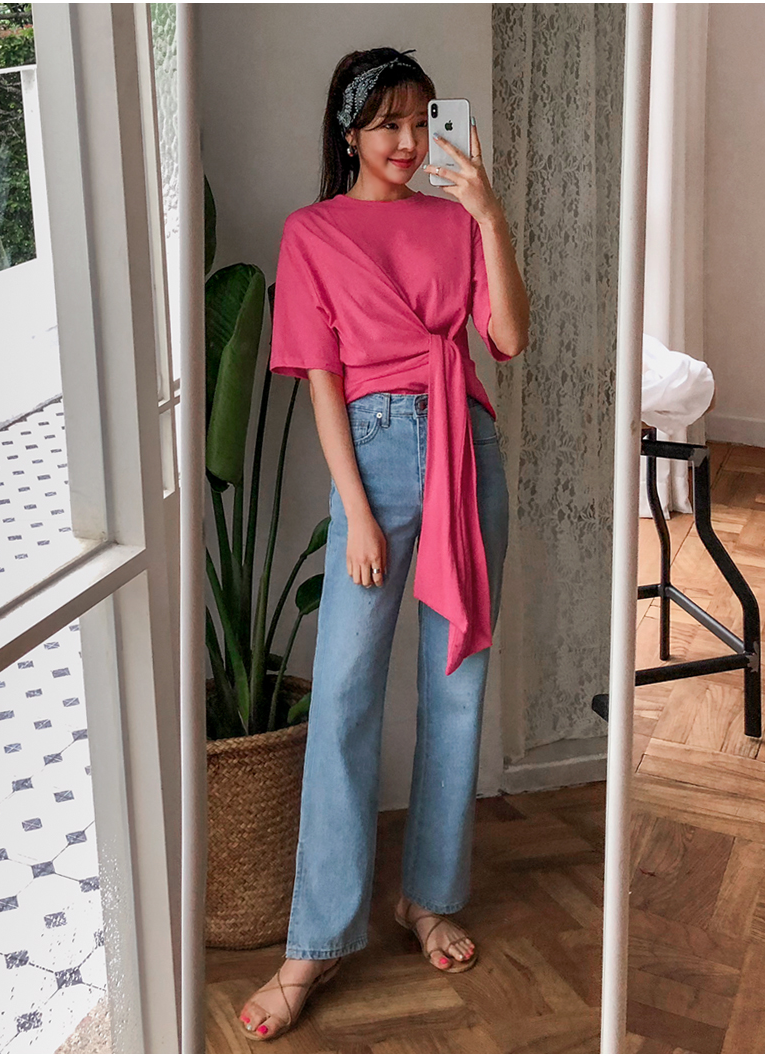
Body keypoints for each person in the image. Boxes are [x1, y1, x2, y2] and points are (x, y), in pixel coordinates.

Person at [238, 47, 529, 1042]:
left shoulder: (454, 220)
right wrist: (355, 511)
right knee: (344, 696)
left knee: (456, 683)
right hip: (373, 452)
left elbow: (507, 337)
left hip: (466, 450)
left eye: (419, 121)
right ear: (349, 131)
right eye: (387, 124)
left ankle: (428, 897)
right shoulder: (312, 232)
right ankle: (316, 940)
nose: (408, 142)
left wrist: (488, 214)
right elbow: (322, 379)